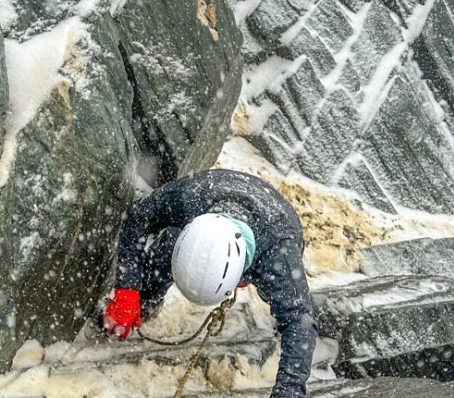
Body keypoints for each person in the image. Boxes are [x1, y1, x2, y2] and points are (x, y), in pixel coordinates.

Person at [102, 169, 318, 398]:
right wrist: (127, 289)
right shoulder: (187, 198)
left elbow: (299, 319)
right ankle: (145, 305)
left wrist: (289, 389)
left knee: (289, 306)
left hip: (276, 217)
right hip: (214, 190)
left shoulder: (279, 255)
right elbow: (138, 216)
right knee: (165, 251)